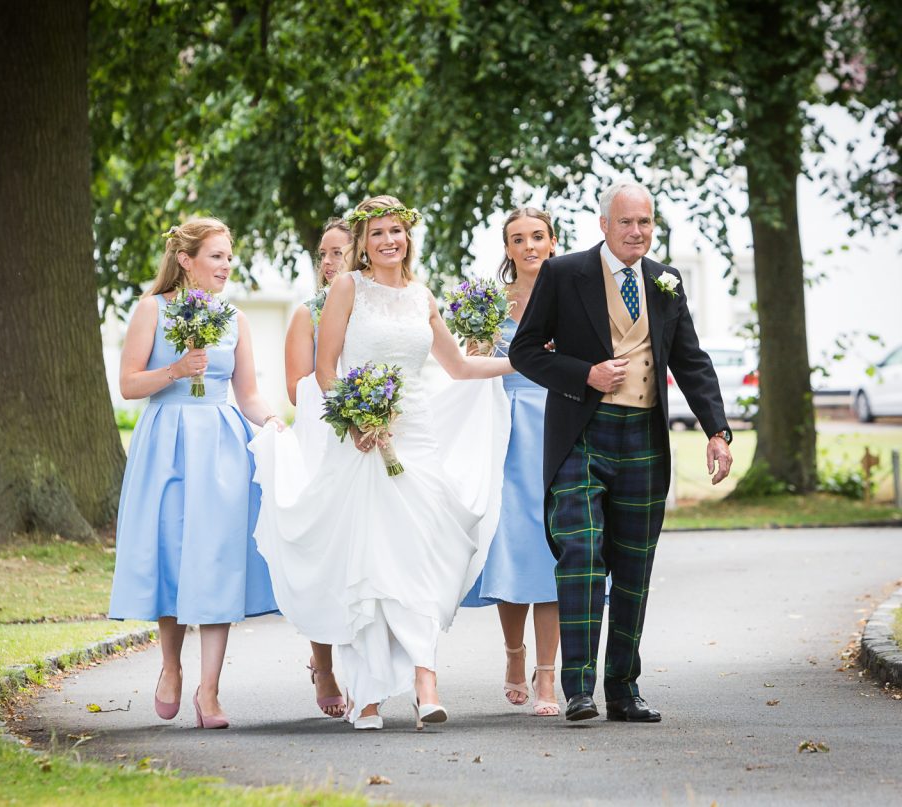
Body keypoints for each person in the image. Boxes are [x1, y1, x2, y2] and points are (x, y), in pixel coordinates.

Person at [251, 195, 513, 730]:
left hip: (416, 437)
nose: (389, 240)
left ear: (408, 236)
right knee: (368, 564)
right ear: (363, 245)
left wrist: (525, 360)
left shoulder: (422, 296)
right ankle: (368, 692)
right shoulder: (347, 289)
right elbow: (325, 370)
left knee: (417, 555)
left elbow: (459, 366)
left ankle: (425, 681)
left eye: (396, 230)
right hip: (361, 441)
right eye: (377, 234)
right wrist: (357, 420)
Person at [509, 180, 733, 724]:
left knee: (634, 567)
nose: (637, 232)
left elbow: (691, 361)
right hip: (581, 434)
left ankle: (623, 690)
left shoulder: (666, 281)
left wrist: (717, 430)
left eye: (646, 223)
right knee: (581, 556)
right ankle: (578, 689)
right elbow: (524, 352)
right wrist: (584, 373)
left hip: (644, 440)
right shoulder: (566, 275)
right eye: (627, 222)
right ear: (604, 225)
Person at [108, 217, 285, 730]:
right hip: (167, 443)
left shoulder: (235, 319)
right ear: (186, 260)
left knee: (216, 558)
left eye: (229, 256)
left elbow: (247, 392)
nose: (226, 265)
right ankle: (170, 668)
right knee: (172, 552)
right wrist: (176, 371)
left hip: (223, 447)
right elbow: (129, 385)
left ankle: (209, 692)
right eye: (216, 256)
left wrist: (270, 419)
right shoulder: (151, 310)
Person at [462, 208, 562, 717]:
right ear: (507, 248)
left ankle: (548, 676)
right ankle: (514, 654)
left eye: (537, 237)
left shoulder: (572, 298)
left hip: (557, 429)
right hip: (502, 431)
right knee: (510, 546)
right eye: (517, 239)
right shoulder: (490, 304)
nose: (528, 246)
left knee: (550, 547)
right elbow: (470, 367)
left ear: (552, 241)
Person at [282, 217, 353, 718]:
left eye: (337, 253)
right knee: (324, 551)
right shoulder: (307, 313)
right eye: (322, 254)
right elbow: (296, 386)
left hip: (375, 439)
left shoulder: (376, 305)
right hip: (324, 438)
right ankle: (323, 665)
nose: (327, 263)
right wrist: (351, 400)